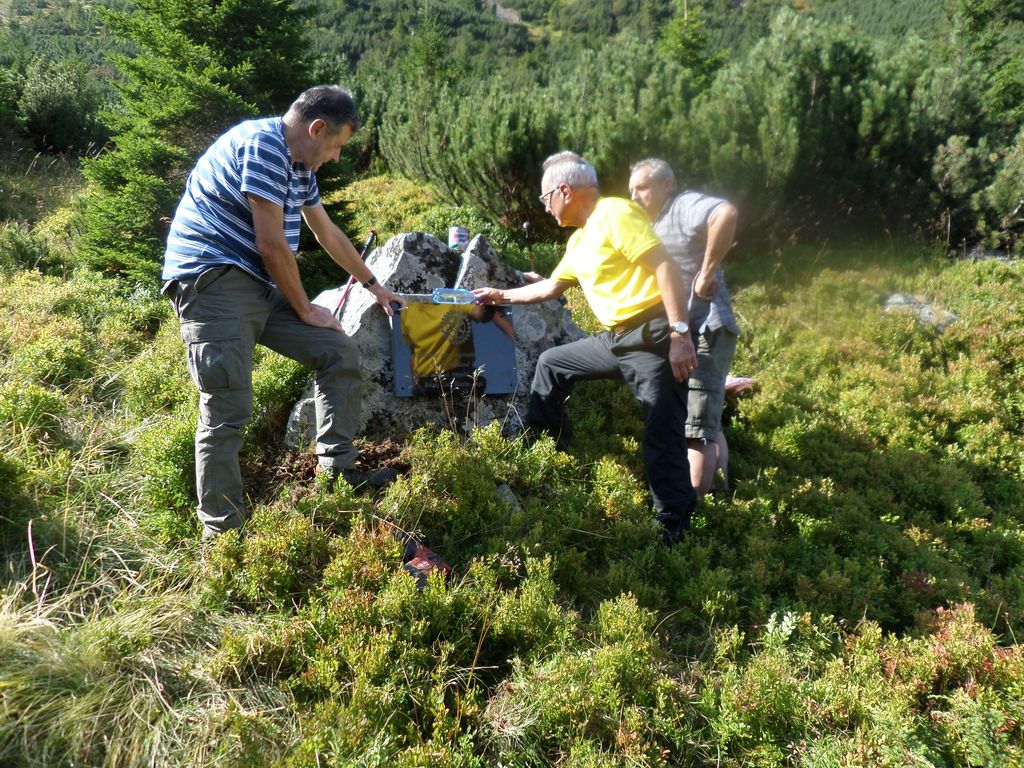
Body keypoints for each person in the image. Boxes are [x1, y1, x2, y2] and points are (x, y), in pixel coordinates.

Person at [162, 85, 405, 539]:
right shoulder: (263, 146)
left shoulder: (298, 166)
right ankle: (224, 535)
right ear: (316, 129)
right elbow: (271, 245)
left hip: (258, 287)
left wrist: (376, 287)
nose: (335, 157)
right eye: (335, 146)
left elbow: (327, 232)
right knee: (227, 406)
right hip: (213, 283)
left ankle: (337, 472)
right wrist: (305, 308)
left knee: (337, 351)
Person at [473, 151, 699, 544]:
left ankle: (673, 530)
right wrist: (500, 294)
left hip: (654, 335)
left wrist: (680, 335)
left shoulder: (614, 213)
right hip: (617, 339)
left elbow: (665, 266)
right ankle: (546, 452)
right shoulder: (579, 240)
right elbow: (551, 287)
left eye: (546, 198)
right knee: (552, 364)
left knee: (661, 434)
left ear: (565, 191)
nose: (545, 208)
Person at [628, 158, 740, 496]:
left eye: (642, 188)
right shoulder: (653, 223)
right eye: (631, 190)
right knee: (706, 421)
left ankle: (691, 514)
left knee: (696, 430)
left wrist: (707, 272)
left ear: (667, 185)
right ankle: (719, 499)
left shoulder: (681, 206)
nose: (634, 196)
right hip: (693, 332)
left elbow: (725, 213)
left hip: (705, 329)